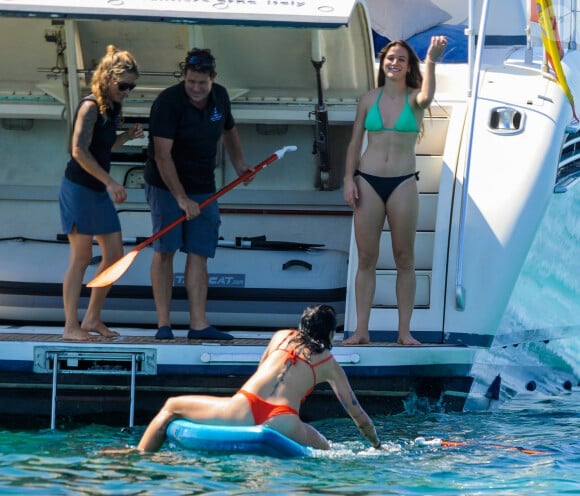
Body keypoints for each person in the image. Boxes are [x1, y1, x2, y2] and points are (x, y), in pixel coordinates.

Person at [136, 304, 381, 452]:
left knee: (172, 406)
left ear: (302, 326)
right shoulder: (330, 363)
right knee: (325, 446)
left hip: (242, 408)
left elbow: (261, 369)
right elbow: (357, 415)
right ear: (330, 333)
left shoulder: (282, 336)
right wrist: (376, 445)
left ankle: (139, 456)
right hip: (284, 421)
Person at [342, 36, 447, 346]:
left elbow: (428, 97)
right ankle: (361, 330)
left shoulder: (415, 98)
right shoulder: (367, 99)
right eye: (390, 58)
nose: (394, 63)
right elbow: (353, 143)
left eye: (401, 59)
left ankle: (404, 332)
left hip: (401, 182)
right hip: (368, 180)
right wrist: (348, 179)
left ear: (408, 66)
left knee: (404, 259)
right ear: (383, 63)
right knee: (366, 259)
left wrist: (432, 59)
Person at [144, 48, 252, 341]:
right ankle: (163, 325)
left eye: (201, 82)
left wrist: (239, 163)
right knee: (165, 250)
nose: (195, 87)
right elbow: (162, 157)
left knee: (199, 252)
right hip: (166, 185)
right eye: (190, 81)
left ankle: (199, 324)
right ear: (184, 76)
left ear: (212, 78)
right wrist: (181, 198)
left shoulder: (221, 96)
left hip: (203, 184)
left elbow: (229, 130)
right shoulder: (167, 102)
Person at [59, 45, 144, 342]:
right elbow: (79, 151)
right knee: (81, 257)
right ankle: (71, 326)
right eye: (123, 85)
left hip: (96, 189)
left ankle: (92, 317)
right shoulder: (90, 106)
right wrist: (110, 182)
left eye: (131, 87)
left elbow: (103, 148)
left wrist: (126, 137)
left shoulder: (113, 107)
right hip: (80, 189)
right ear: (107, 78)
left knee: (115, 256)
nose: (127, 91)